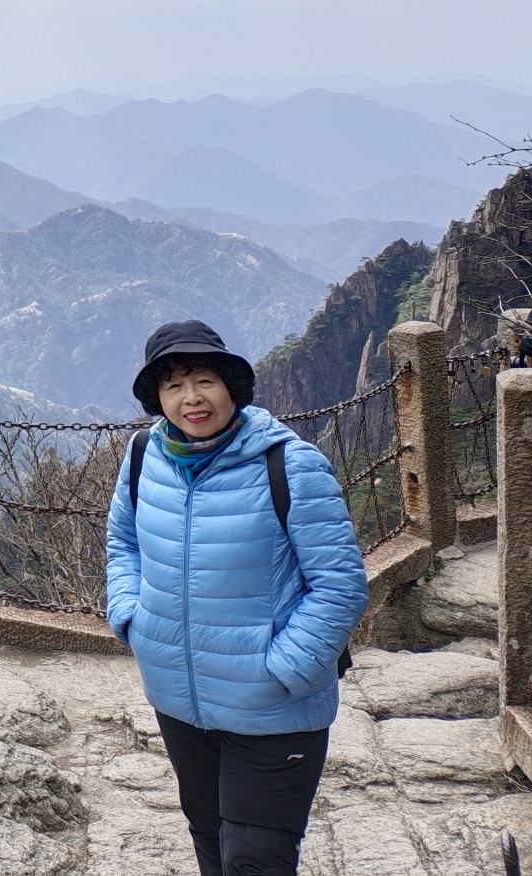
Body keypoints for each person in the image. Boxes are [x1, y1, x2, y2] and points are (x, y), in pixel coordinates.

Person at [106, 320, 368, 876]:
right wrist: (133, 618)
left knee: (255, 860)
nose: (191, 398)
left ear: (231, 386)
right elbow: (122, 544)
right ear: (158, 397)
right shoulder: (142, 457)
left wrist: (282, 667)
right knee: (210, 842)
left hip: (273, 709)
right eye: (174, 385)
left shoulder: (289, 464)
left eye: (204, 380)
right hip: (180, 698)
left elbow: (340, 586)